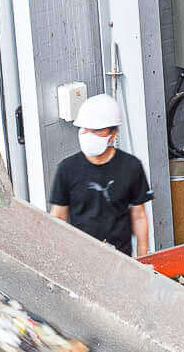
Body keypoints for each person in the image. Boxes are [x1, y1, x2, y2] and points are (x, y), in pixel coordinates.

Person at [48, 93, 152, 256]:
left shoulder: (131, 166)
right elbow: (58, 217)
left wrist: (143, 255)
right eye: (84, 129)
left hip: (121, 257)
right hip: (81, 257)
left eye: (97, 130)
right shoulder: (67, 169)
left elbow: (139, 215)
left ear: (113, 134)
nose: (89, 134)